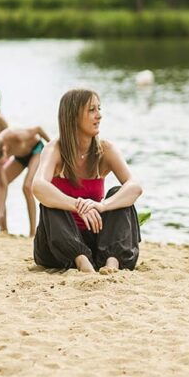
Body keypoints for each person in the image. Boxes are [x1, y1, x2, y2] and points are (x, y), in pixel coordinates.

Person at [30, 89, 142, 273]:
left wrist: (103, 206)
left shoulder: (105, 149)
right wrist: (77, 205)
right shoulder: (54, 149)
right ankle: (82, 263)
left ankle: (111, 264)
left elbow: (135, 187)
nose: (99, 115)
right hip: (57, 246)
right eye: (92, 110)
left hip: (96, 243)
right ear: (73, 116)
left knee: (118, 194)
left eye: (99, 108)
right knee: (49, 202)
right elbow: (38, 186)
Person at [0, 125, 51, 235]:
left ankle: (33, 233)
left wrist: (53, 149)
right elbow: (3, 185)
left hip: (36, 150)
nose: (0, 166)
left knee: (27, 187)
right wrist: (0, 213)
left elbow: (38, 129)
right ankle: (4, 230)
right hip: (21, 158)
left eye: (0, 163)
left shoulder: (15, 136)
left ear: (4, 149)